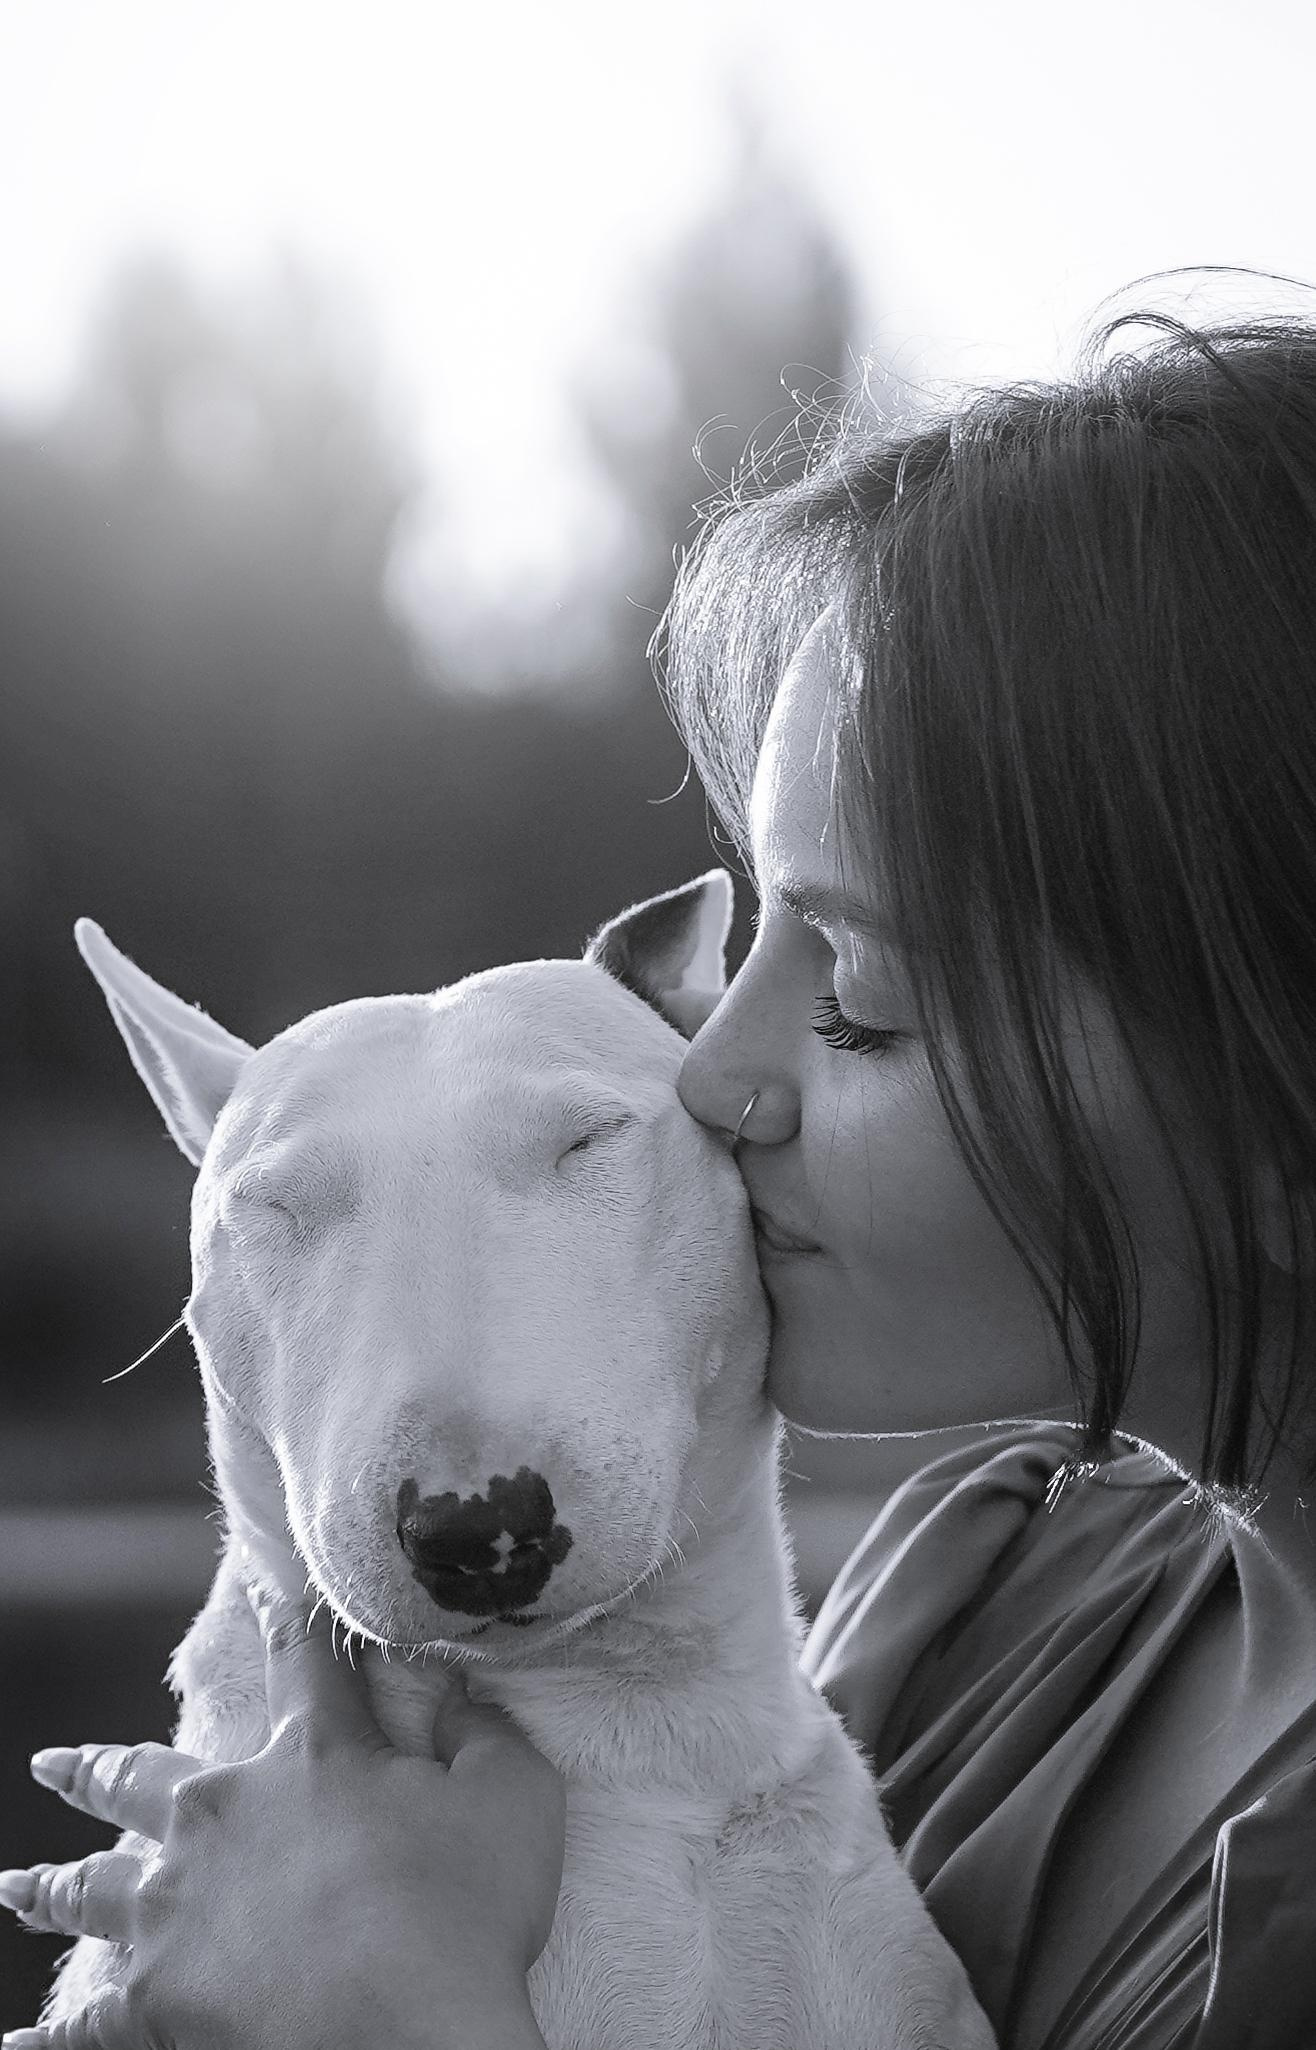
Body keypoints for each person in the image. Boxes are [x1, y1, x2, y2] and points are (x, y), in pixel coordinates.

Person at [6, 285, 1316, 2049]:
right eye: (753, 932)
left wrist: (403, 2013)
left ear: (1278, 1110)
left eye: (852, 993)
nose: (712, 1068)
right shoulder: (979, 1579)